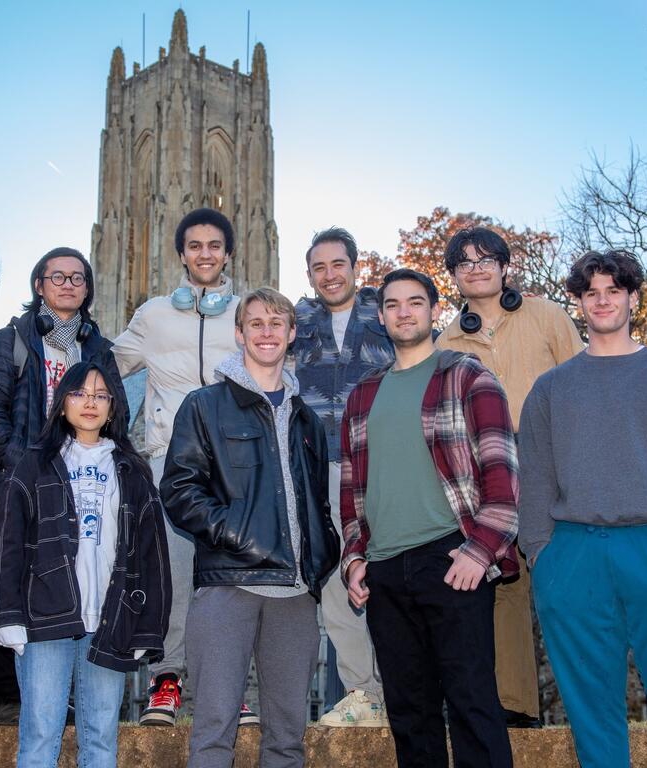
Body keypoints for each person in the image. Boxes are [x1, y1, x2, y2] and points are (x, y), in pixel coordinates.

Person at [518, 250, 647, 768]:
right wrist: (541, 553)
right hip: (571, 553)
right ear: (580, 303)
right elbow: (536, 479)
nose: (603, 300)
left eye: (614, 290)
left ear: (633, 298)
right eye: (592, 293)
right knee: (592, 714)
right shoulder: (550, 389)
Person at [341, 268, 517, 768]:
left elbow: (502, 478)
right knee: (409, 715)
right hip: (385, 572)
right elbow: (352, 495)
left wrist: (480, 550)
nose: (404, 312)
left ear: (434, 310)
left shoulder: (467, 375)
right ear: (380, 317)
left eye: (415, 302)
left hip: (452, 559)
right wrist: (354, 560)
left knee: (472, 705)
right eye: (393, 304)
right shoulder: (362, 396)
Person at [160, 288, 339, 768]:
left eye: (276, 323)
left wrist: (323, 556)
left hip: (296, 594)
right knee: (214, 735)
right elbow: (179, 492)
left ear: (292, 333)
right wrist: (239, 537)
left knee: (286, 740)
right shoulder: (204, 405)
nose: (267, 332)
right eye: (255, 323)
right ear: (239, 333)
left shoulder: (308, 419)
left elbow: (317, 502)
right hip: (228, 586)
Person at [112, 208, 259, 727]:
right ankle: (167, 678)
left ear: (228, 253)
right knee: (171, 573)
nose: (204, 253)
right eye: (194, 245)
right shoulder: (153, 314)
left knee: (226, 578)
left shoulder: (246, 312)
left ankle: (226, 686)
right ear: (181, 253)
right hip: (168, 458)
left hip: (234, 465)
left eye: (214, 245)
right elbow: (108, 366)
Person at [0, 361, 170, 768]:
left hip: (110, 621)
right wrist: (6, 615)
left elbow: (152, 554)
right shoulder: (34, 464)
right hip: (44, 619)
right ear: (62, 402)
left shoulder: (132, 470)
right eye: (80, 393)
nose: (90, 403)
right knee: (39, 735)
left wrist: (148, 628)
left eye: (101, 395)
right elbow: (7, 544)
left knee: (101, 738)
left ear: (113, 406)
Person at [436, 226, 584, 728]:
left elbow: (585, 383)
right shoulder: (446, 342)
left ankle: (591, 705)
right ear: (454, 277)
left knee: (566, 580)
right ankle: (516, 706)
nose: (475, 268)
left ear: (505, 266)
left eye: (485, 259)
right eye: (464, 262)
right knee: (504, 583)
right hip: (486, 472)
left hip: (552, 459)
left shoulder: (547, 316)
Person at [0, 246, 126, 724]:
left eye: (77, 278)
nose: (66, 284)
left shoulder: (97, 348)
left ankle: (70, 694)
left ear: (87, 290)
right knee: (12, 577)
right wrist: (23, 466)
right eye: (56, 276)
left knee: (74, 576)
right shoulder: (12, 337)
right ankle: (8, 697)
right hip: (20, 477)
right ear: (39, 285)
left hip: (80, 480)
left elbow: (115, 408)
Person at [291, 227, 393, 727]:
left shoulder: (386, 312)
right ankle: (364, 693)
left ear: (355, 267)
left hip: (384, 468)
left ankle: (406, 691)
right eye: (318, 267)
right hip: (320, 471)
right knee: (336, 582)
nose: (329, 275)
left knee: (392, 578)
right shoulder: (297, 320)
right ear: (309, 275)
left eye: (338, 264)